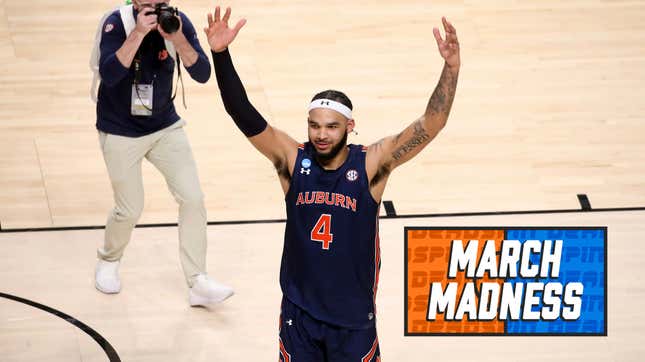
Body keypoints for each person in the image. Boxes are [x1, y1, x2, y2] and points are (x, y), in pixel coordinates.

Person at [204, 6, 460, 360]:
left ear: (350, 127)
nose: (321, 135)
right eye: (314, 125)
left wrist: (450, 69)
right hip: (300, 316)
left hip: (352, 321)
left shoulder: (371, 164)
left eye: (331, 126)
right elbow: (243, 113)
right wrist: (220, 54)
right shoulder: (293, 161)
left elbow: (431, 124)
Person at [94, 0, 233, 307]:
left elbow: (202, 73)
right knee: (130, 208)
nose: (154, 7)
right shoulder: (115, 23)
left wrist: (178, 38)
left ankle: (197, 281)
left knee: (193, 198)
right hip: (119, 129)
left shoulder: (177, 21)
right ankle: (109, 260)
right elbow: (110, 73)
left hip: (164, 127)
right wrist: (138, 35)